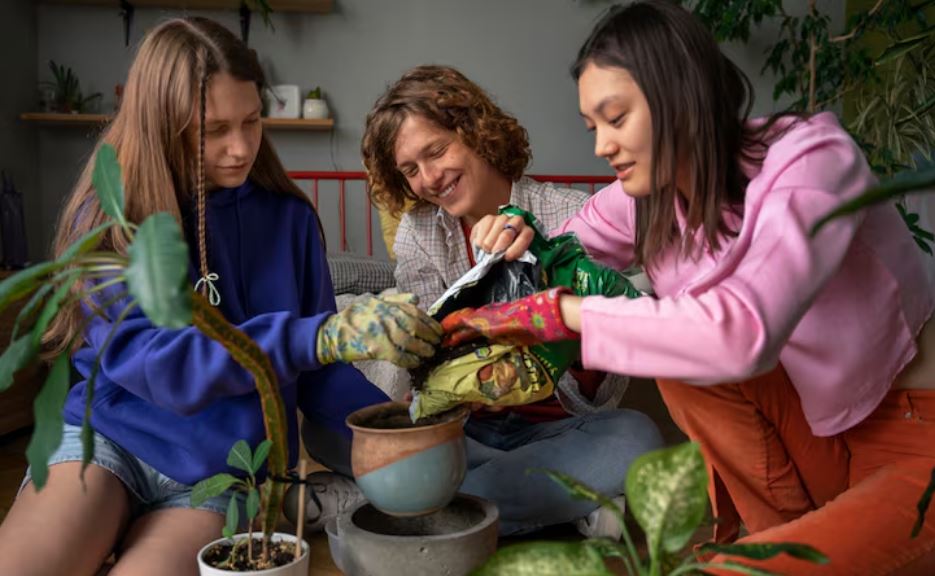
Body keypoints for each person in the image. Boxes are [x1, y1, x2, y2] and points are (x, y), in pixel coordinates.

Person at [455, 1, 935, 573]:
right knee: (675, 356)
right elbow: (557, 247)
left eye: (616, 118)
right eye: (593, 128)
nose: (601, 146)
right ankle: (775, 536)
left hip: (915, 436)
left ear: (678, 95)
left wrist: (570, 313)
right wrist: (514, 233)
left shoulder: (810, 161)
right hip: (817, 430)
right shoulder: (651, 197)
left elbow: (742, 331)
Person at [0, 17, 440, 576]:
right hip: (109, 442)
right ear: (162, 124)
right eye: (213, 130)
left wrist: (398, 423)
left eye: (253, 121)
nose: (240, 148)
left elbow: (318, 370)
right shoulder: (109, 221)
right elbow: (164, 368)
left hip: (220, 471)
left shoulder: (290, 220)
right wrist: (317, 335)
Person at [358, 65, 664, 538]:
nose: (430, 178)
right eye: (410, 170)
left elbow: (619, 334)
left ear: (474, 132)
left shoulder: (569, 212)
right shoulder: (420, 235)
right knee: (339, 426)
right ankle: (559, 506)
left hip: (561, 429)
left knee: (638, 438)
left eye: (436, 151)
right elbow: (421, 348)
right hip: (467, 433)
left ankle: (436, 509)